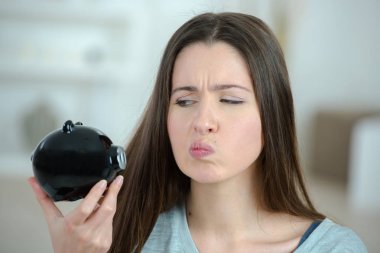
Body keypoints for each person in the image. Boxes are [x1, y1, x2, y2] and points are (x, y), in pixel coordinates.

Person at [28, 12, 367, 253]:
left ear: (272, 117)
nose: (203, 121)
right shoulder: (121, 237)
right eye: (185, 100)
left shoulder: (336, 248)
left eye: (231, 100)